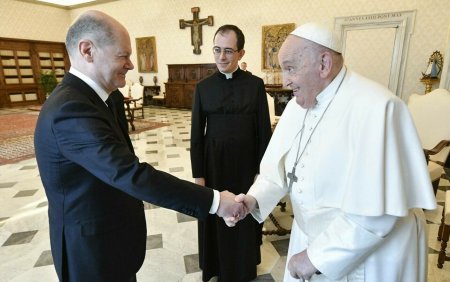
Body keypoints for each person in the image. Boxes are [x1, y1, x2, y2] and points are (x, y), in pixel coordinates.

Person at [34, 10, 245, 282]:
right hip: (90, 253)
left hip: (114, 241)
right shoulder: (70, 109)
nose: (131, 65)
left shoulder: (107, 99)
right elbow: (131, 174)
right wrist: (215, 201)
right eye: (123, 55)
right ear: (87, 50)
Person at [231, 22, 437, 281]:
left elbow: (377, 213)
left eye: (290, 68)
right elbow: (281, 169)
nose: (285, 81)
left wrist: (318, 257)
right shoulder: (298, 105)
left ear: (324, 64)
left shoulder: (378, 108)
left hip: (370, 254)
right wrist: (254, 199)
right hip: (309, 236)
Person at [190, 24, 272, 282]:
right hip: (213, 165)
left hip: (246, 166)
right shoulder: (203, 87)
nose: (221, 57)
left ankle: (243, 266)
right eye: (217, 50)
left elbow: (263, 131)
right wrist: (198, 175)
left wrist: (262, 171)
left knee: (244, 213)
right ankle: (214, 267)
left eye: (228, 51)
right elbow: (195, 135)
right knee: (215, 214)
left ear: (241, 53)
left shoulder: (255, 85)